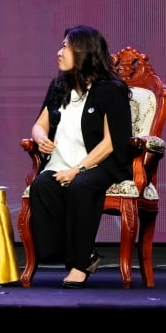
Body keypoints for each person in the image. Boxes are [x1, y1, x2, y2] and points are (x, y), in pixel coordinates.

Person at [28, 25, 132, 289]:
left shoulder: (110, 89)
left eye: (65, 47)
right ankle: (80, 253)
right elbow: (39, 125)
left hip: (100, 164)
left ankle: (79, 266)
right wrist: (41, 138)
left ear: (83, 52)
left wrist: (77, 170)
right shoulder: (59, 86)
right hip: (61, 162)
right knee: (41, 185)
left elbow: (110, 143)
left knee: (81, 186)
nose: (59, 52)